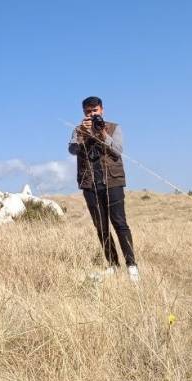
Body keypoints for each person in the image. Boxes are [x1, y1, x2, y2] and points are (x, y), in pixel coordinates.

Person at [68, 96, 139, 282]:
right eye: (87, 112)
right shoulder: (78, 130)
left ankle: (132, 266)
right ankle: (113, 265)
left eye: (94, 111)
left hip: (112, 182)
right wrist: (83, 134)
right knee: (101, 227)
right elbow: (72, 150)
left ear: (102, 110)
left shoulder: (114, 128)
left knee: (120, 224)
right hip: (90, 184)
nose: (91, 114)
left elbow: (117, 150)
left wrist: (101, 133)